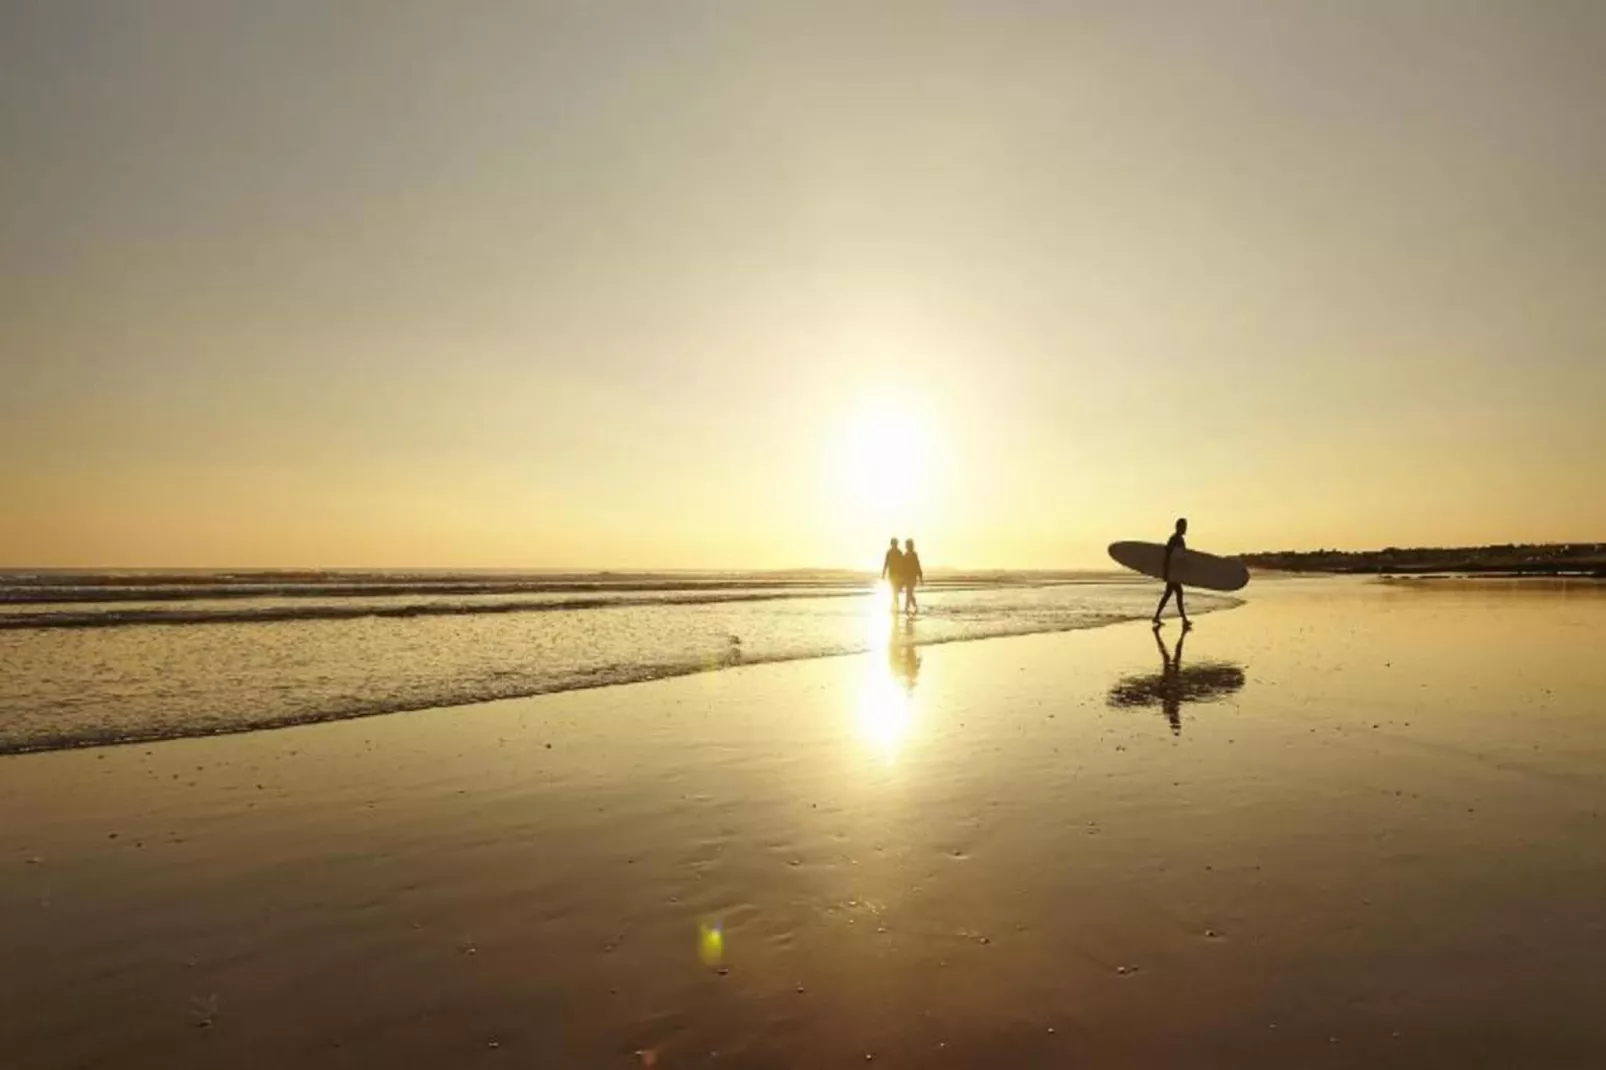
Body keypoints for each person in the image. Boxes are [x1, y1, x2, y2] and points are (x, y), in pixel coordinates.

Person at [1153, 517, 1191, 628]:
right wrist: (1166, 573)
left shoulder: (1180, 540)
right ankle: (1184, 620)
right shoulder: (1174, 539)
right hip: (1172, 573)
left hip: (1175, 573)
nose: (1185, 529)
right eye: (1184, 527)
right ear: (1179, 527)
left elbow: (1181, 557)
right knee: (1178, 594)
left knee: (1168, 595)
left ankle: (1157, 616)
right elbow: (1167, 556)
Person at [881, 537, 905, 612]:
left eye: (895, 543)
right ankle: (895, 603)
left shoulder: (897, 552)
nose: (895, 545)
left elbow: (902, 563)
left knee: (895, 589)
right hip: (894, 574)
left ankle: (895, 604)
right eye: (894, 543)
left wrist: (883, 573)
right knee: (894, 589)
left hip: (896, 574)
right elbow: (887, 563)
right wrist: (883, 573)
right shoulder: (895, 552)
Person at [901, 538, 924, 615]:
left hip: (912, 577)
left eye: (908, 545)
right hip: (907, 577)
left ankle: (907, 608)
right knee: (910, 593)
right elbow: (902, 568)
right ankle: (914, 606)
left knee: (909, 593)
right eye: (907, 545)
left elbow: (917, 566)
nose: (907, 546)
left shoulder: (914, 555)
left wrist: (920, 577)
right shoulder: (905, 555)